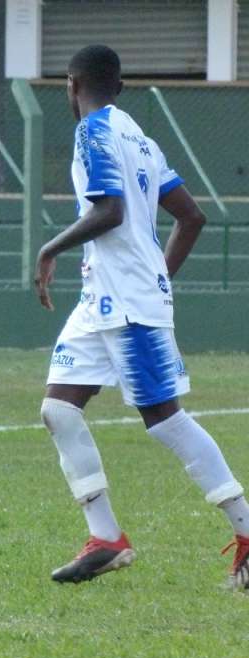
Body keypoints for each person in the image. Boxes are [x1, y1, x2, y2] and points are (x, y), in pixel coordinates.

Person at [34, 45, 247, 588]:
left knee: (166, 421)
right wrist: (156, 274)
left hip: (126, 303)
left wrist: (49, 249)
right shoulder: (142, 139)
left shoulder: (92, 132)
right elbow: (191, 217)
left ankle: (248, 531)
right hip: (101, 298)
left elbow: (110, 212)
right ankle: (105, 538)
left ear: (72, 83)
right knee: (59, 409)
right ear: (118, 86)